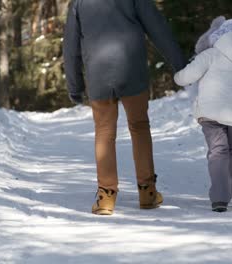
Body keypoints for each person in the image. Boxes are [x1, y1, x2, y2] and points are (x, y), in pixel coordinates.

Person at [63, 0, 186, 215]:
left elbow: (70, 47)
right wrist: (181, 67)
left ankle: (106, 198)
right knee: (139, 127)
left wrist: (75, 86)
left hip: (98, 76)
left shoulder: (79, 3)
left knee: (104, 132)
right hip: (133, 71)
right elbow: (158, 29)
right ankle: (147, 192)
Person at [174, 18, 232, 212]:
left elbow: (186, 77)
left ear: (218, 37)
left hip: (211, 112)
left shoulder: (211, 54)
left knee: (218, 151)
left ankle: (219, 198)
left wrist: (177, 75)